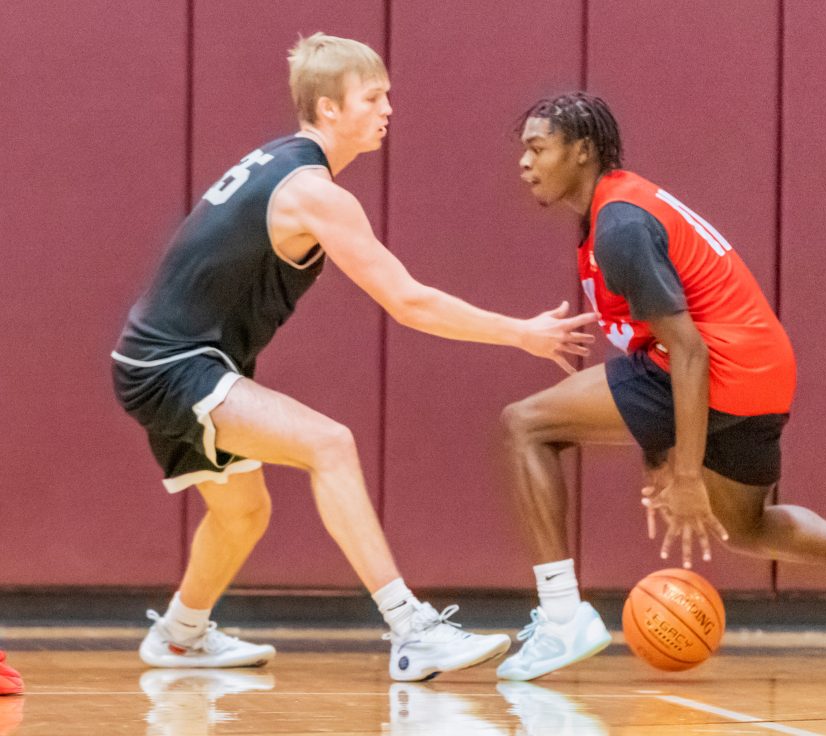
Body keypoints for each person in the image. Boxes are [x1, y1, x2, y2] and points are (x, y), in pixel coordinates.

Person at [111, 35, 596, 682]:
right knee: (330, 444)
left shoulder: (280, 164)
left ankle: (179, 636)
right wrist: (521, 333)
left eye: (387, 94)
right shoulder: (313, 193)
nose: (387, 108)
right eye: (372, 97)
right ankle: (411, 629)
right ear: (328, 109)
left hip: (169, 360)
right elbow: (408, 301)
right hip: (173, 365)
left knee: (243, 514)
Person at [496, 92, 826, 681]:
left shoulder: (620, 225)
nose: (524, 162)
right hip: (765, 372)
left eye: (537, 147)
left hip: (717, 365)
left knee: (525, 425)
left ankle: (560, 617)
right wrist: (662, 456)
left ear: (582, 150)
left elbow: (688, 350)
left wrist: (685, 476)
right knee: (743, 526)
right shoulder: (619, 207)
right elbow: (650, 353)